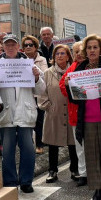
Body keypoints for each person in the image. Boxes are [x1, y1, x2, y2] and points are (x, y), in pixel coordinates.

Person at [65, 35, 101, 200]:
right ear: (85, 50)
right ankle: (97, 188)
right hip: (87, 119)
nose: (92, 50)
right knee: (91, 155)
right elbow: (73, 99)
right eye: (89, 47)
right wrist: (70, 86)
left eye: (95, 47)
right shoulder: (79, 70)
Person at [0, 34, 45, 192]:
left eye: (13, 45)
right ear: (3, 47)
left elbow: (41, 90)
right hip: (6, 112)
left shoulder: (29, 65)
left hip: (25, 112)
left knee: (28, 148)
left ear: (18, 47)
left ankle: (26, 181)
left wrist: (36, 78)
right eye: (8, 45)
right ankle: (10, 181)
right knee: (7, 150)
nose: (11, 47)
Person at [38, 44, 79, 183]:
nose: (59, 56)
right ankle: (52, 171)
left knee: (73, 143)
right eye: (57, 54)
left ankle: (75, 169)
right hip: (54, 113)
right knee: (53, 144)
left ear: (68, 56)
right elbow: (42, 93)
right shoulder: (47, 73)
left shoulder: (74, 71)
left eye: (63, 53)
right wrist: (48, 107)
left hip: (71, 112)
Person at [59, 42, 88, 186]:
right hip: (76, 114)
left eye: (81, 50)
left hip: (93, 114)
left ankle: (95, 172)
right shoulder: (71, 69)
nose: (78, 54)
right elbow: (62, 88)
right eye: (75, 51)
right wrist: (66, 83)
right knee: (80, 147)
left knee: (93, 146)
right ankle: (83, 174)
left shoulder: (94, 67)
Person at [22, 35, 48, 153]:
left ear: (36, 47)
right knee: (27, 121)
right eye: (25, 45)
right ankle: (29, 145)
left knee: (39, 120)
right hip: (26, 93)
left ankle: (40, 144)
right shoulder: (20, 59)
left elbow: (44, 74)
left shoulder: (41, 59)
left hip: (39, 94)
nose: (28, 47)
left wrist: (34, 71)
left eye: (30, 45)